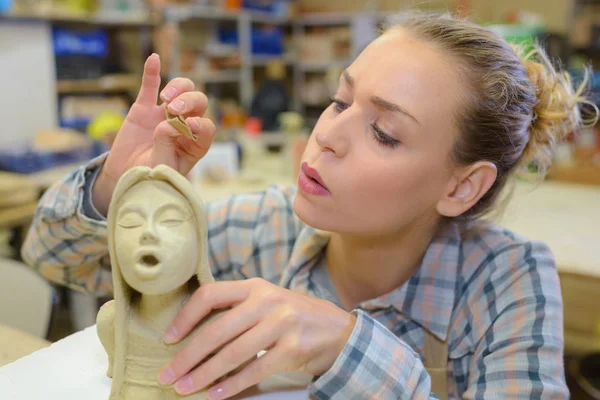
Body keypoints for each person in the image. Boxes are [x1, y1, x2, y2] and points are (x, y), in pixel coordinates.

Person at [21, 13, 594, 399]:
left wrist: (351, 348)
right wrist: (124, 184)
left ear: (461, 187)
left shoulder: (508, 281)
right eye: (339, 101)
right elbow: (57, 260)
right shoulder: (261, 228)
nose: (328, 135)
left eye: (385, 133)